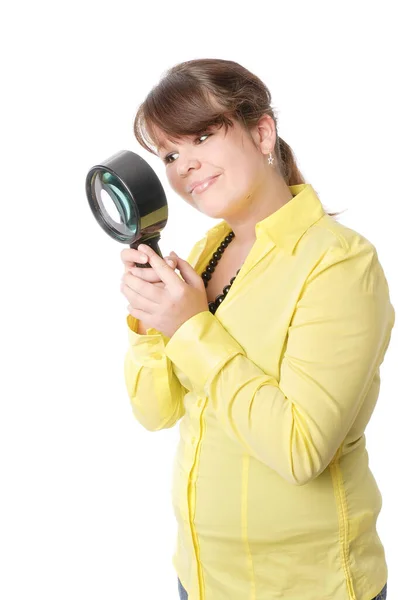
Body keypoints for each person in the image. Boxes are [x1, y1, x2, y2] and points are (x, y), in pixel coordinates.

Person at [120, 58, 393, 600]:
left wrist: (191, 326)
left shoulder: (340, 264)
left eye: (202, 136)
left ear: (262, 131)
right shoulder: (205, 252)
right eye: (171, 153)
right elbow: (156, 411)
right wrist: (149, 323)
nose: (184, 167)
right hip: (199, 576)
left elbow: (300, 450)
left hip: (307, 586)